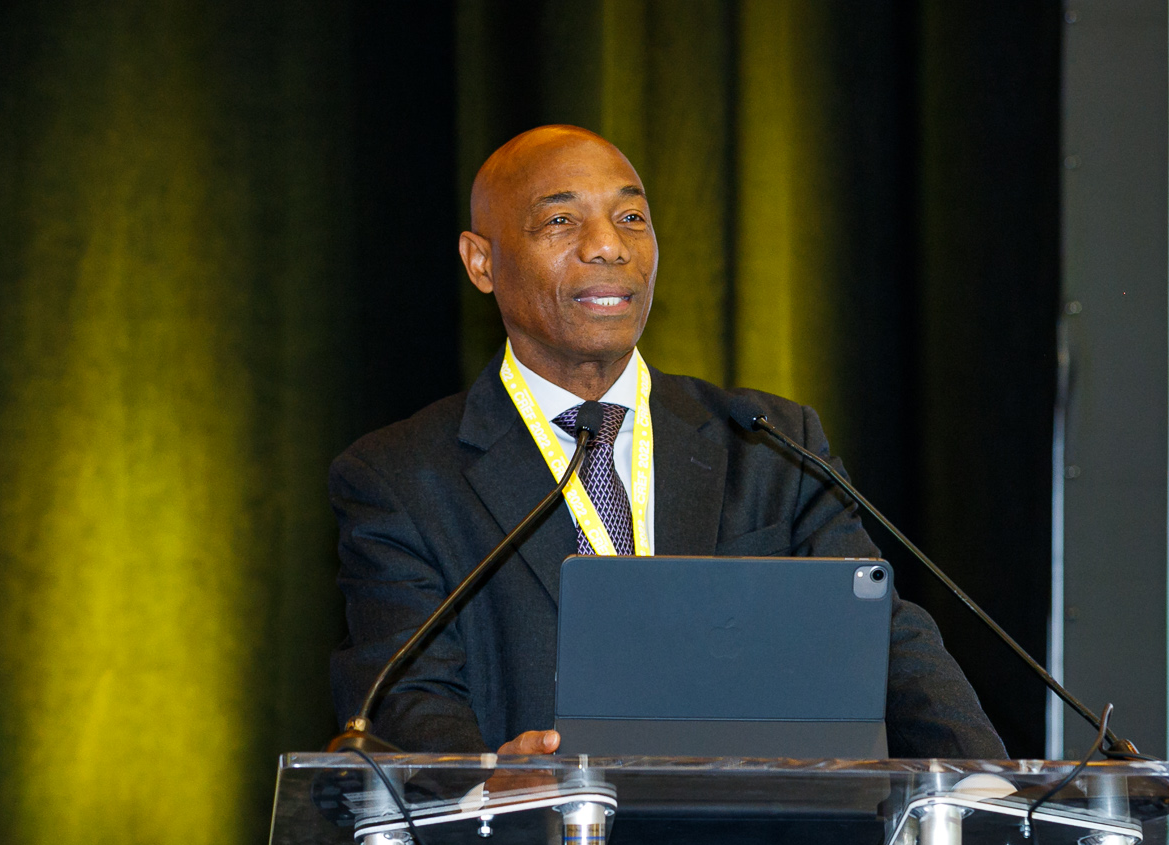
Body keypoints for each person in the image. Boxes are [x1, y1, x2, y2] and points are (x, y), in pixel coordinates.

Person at [329, 125, 1004, 759]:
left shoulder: (770, 445)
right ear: (481, 262)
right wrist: (489, 783)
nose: (607, 246)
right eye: (562, 221)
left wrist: (1000, 798)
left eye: (631, 219)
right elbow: (406, 699)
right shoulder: (403, 478)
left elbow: (885, 640)